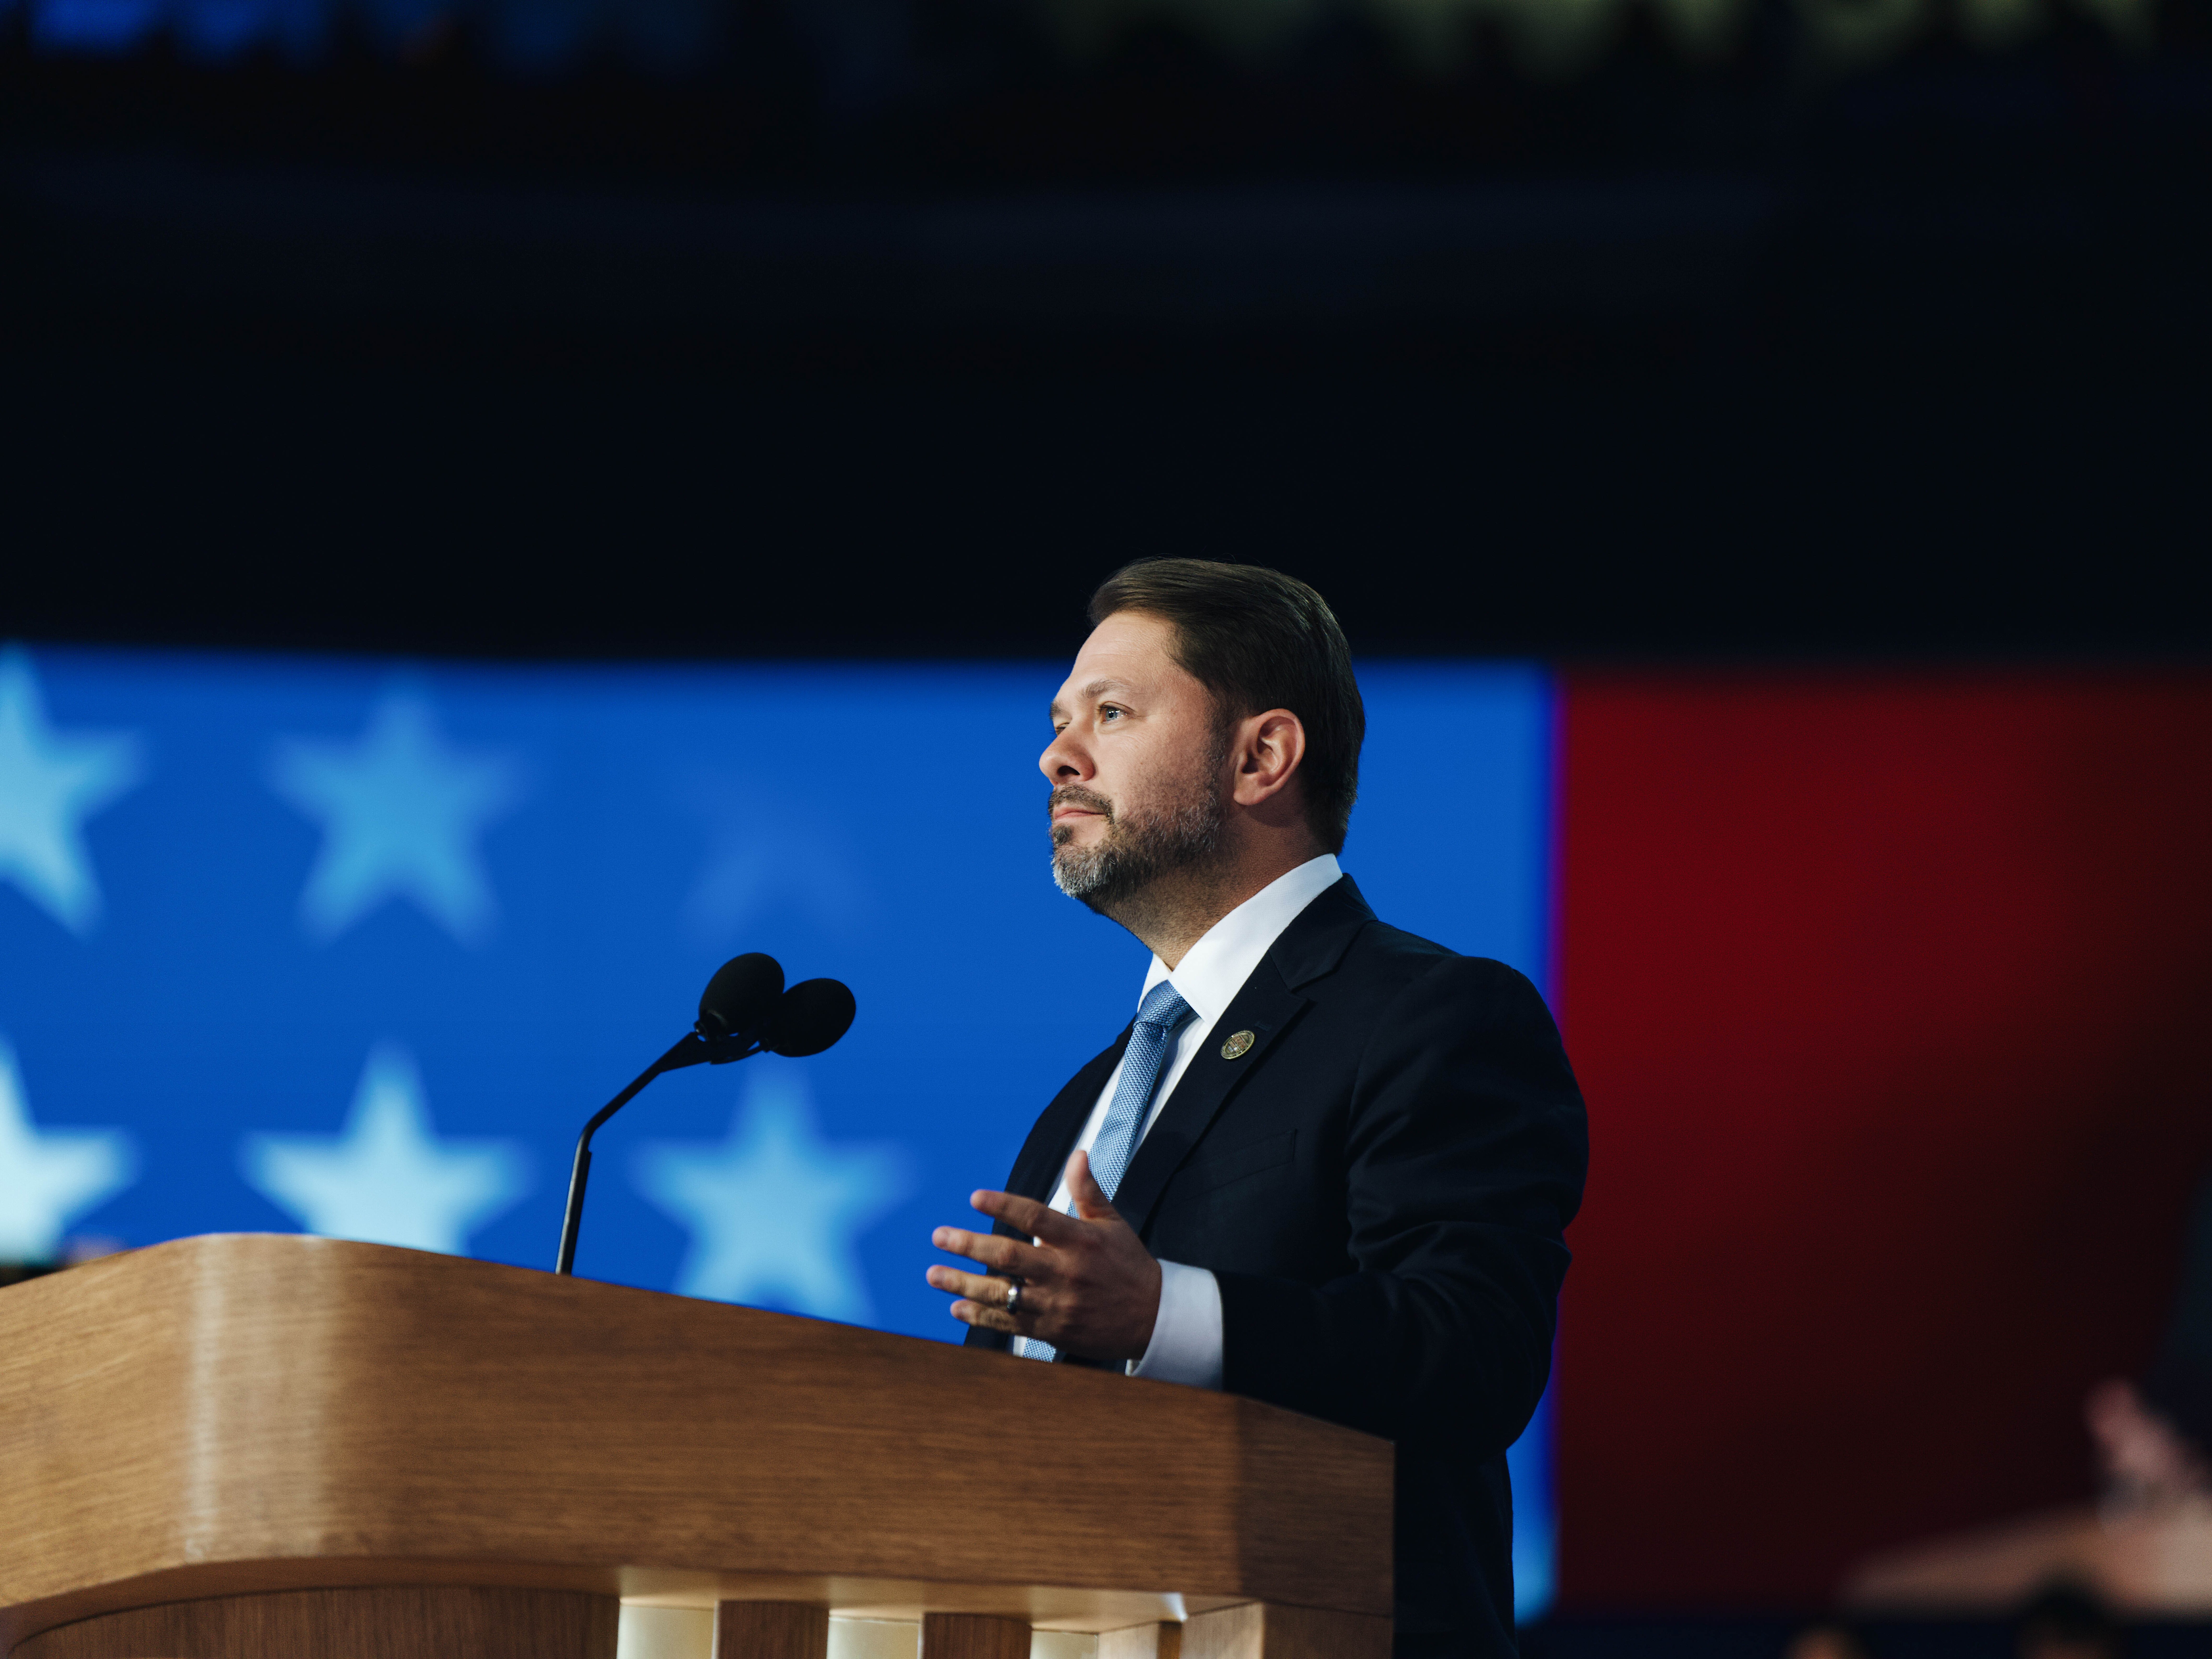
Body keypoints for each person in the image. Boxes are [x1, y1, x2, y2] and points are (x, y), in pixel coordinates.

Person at [924, 560, 1589, 1659]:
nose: (1058, 755)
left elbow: (1474, 1355)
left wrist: (1161, 1316)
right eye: (1059, 722)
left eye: (1112, 714)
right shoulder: (1086, 1100)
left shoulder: (1435, 1016)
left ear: (1261, 758)